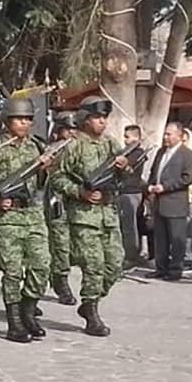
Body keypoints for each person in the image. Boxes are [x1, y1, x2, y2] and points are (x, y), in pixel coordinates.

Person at [51, 96, 131, 336]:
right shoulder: (73, 146)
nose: (102, 122)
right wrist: (80, 192)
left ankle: (88, 303)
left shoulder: (111, 144)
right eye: (97, 117)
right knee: (93, 266)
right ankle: (92, 313)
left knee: (115, 264)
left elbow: (126, 176)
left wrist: (124, 167)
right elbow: (57, 178)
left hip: (108, 213)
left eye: (104, 117)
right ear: (84, 119)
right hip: (84, 216)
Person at [0, 97, 58, 342]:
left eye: (27, 119)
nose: (24, 123)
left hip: (32, 214)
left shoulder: (36, 146)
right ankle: (14, 322)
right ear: (7, 121)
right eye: (19, 119)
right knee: (13, 271)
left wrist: (46, 170)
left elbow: (42, 185)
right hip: (6, 217)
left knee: (41, 266)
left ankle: (28, 310)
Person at [146, 122, 192, 281]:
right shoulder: (161, 152)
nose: (166, 137)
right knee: (160, 238)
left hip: (175, 202)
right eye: (165, 134)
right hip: (159, 202)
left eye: (169, 134)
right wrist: (150, 186)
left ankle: (175, 270)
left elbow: (187, 178)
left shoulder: (188, 154)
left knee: (176, 239)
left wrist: (166, 187)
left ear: (180, 136)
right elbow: (154, 172)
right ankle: (161, 267)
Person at [46, 112, 79, 305]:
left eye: (74, 129)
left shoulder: (80, 149)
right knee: (59, 244)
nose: (72, 134)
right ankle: (60, 281)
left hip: (75, 202)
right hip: (54, 203)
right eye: (68, 130)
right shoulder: (52, 150)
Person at [117, 124, 148, 271]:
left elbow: (131, 171)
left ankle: (131, 256)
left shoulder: (138, 153)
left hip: (131, 192)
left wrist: (124, 166)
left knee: (130, 226)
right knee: (125, 225)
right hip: (123, 191)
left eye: (128, 136)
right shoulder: (125, 151)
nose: (125, 140)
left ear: (136, 137)